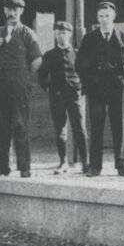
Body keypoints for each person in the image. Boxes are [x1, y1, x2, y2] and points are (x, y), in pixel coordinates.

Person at [75, 1, 124, 176]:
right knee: (96, 127)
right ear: (97, 18)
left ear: (113, 17)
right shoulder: (89, 38)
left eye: (107, 16)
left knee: (119, 126)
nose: (104, 20)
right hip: (96, 91)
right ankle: (95, 166)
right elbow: (79, 64)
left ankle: (122, 164)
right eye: (101, 16)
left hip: (117, 89)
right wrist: (89, 83)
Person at [0, 0, 43, 178]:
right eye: (9, 9)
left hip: (19, 84)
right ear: (4, 11)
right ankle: (3, 166)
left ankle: (24, 166)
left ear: (21, 12)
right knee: (0, 124)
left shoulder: (27, 33)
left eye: (16, 10)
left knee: (20, 124)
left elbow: (37, 60)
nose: (12, 13)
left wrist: (24, 77)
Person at [36, 19, 88, 173]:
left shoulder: (77, 53)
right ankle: (63, 161)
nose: (61, 36)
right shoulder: (49, 55)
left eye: (64, 33)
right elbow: (42, 76)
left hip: (74, 95)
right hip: (57, 96)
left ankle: (85, 162)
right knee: (60, 129)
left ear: (70, 34)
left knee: (79, 128)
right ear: (54, 35)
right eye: (58, 33)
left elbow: (85, 73)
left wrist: (80, 88)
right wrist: (49, 89)